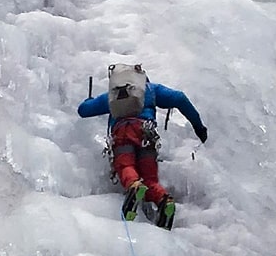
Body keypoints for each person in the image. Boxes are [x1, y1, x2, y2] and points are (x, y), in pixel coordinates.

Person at [78, 66, 207, 228]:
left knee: (125, 165)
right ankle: (163, 201)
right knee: (150, 179)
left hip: (123, 133)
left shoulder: (114, 96)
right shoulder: (151, 90)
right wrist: (199, 127)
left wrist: (89, 101)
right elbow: (179, 98)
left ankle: (133, 185)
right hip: (147, 134)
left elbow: (83, 110)